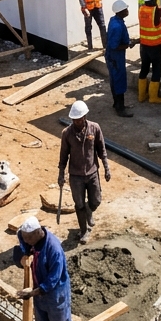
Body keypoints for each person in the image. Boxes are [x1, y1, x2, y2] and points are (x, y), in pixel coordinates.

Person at [13, 216, 82, 321]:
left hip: (55, 294)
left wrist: (32, 293)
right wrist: (24, 253)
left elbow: (53, 280)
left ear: (38, 233)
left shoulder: (54, 249)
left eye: (29, 238)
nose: (26, 240)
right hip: (39, 292)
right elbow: (20, 236)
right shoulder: (27, 236)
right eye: (25, 238)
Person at [58, 100, 111, 245]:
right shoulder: (67, 133)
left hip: (92, 172)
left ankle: (89, 211)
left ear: (85, 117)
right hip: (75, 176)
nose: (77, 122)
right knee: (79, 204)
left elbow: (102, 150)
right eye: (75, 119)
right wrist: (61, 174)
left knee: (96, 200)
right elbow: (63, 156)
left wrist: (106, 168)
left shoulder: (95, 129)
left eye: (80, 119)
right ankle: (84, 230)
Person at [105, 0, 135, 117]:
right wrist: (128, 45)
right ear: (121, 11)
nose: (127, 11)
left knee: (114, 79)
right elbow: (115, 45)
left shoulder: (114, 21)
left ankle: (116, 103)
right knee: (119, 80)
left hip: (112, 57)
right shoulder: (117, 26)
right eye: (125, 9)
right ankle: (120, 108)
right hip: (116, 57)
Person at [137, 0, 161, 104]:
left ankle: (141, 95)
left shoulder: (141, 9)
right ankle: (153, 97)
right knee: (156, 70)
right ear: (152, 0)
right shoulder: (156, 11)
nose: (156, 1)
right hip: (154, 46)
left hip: (144, 45)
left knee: (144, 69)